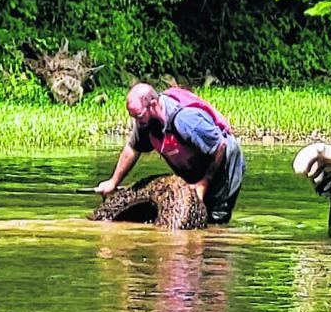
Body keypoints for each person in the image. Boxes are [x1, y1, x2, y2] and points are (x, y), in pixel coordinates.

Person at [96, 83, 245, 224]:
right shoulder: (145, 121)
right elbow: (133, 148)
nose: (137, 122)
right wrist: (113, 182)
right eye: (133, 117)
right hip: (195, 163)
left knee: (215, 218)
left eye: (139, 116)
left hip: (223, 161)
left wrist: (203, 184)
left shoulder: (185, 120)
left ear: (153, 104)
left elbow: (220, 147)